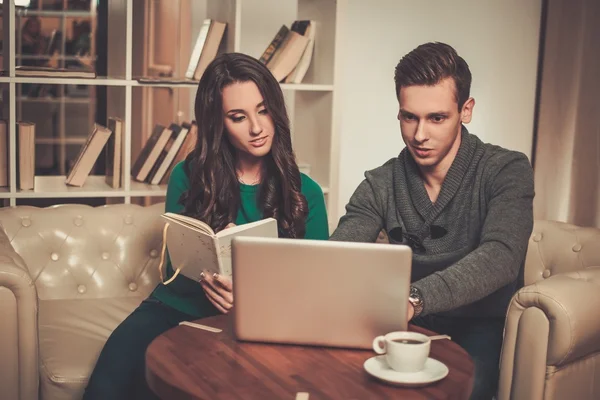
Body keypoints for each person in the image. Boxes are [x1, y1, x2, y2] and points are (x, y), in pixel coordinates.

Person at [83, 52, 329, 400]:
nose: (257, 128)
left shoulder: (306, 191)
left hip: (265, 323)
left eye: (263, 110)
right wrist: (208, 278)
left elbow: (318, 287)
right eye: (238, 117)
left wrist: (251, 295)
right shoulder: (189, 175)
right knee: (110, 383)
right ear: (218, 124)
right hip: (175, 308)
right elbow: (172, 269)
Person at [329, 42, 534, 400]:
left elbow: (502, 256)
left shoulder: (507, 170)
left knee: (462, 391)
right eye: (409, 117)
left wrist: (415, 297)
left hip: (477, 328)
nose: (419, 135)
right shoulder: (380, 183)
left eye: (436, 118)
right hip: (402, 325)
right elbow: (339, 254)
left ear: (465, 110)